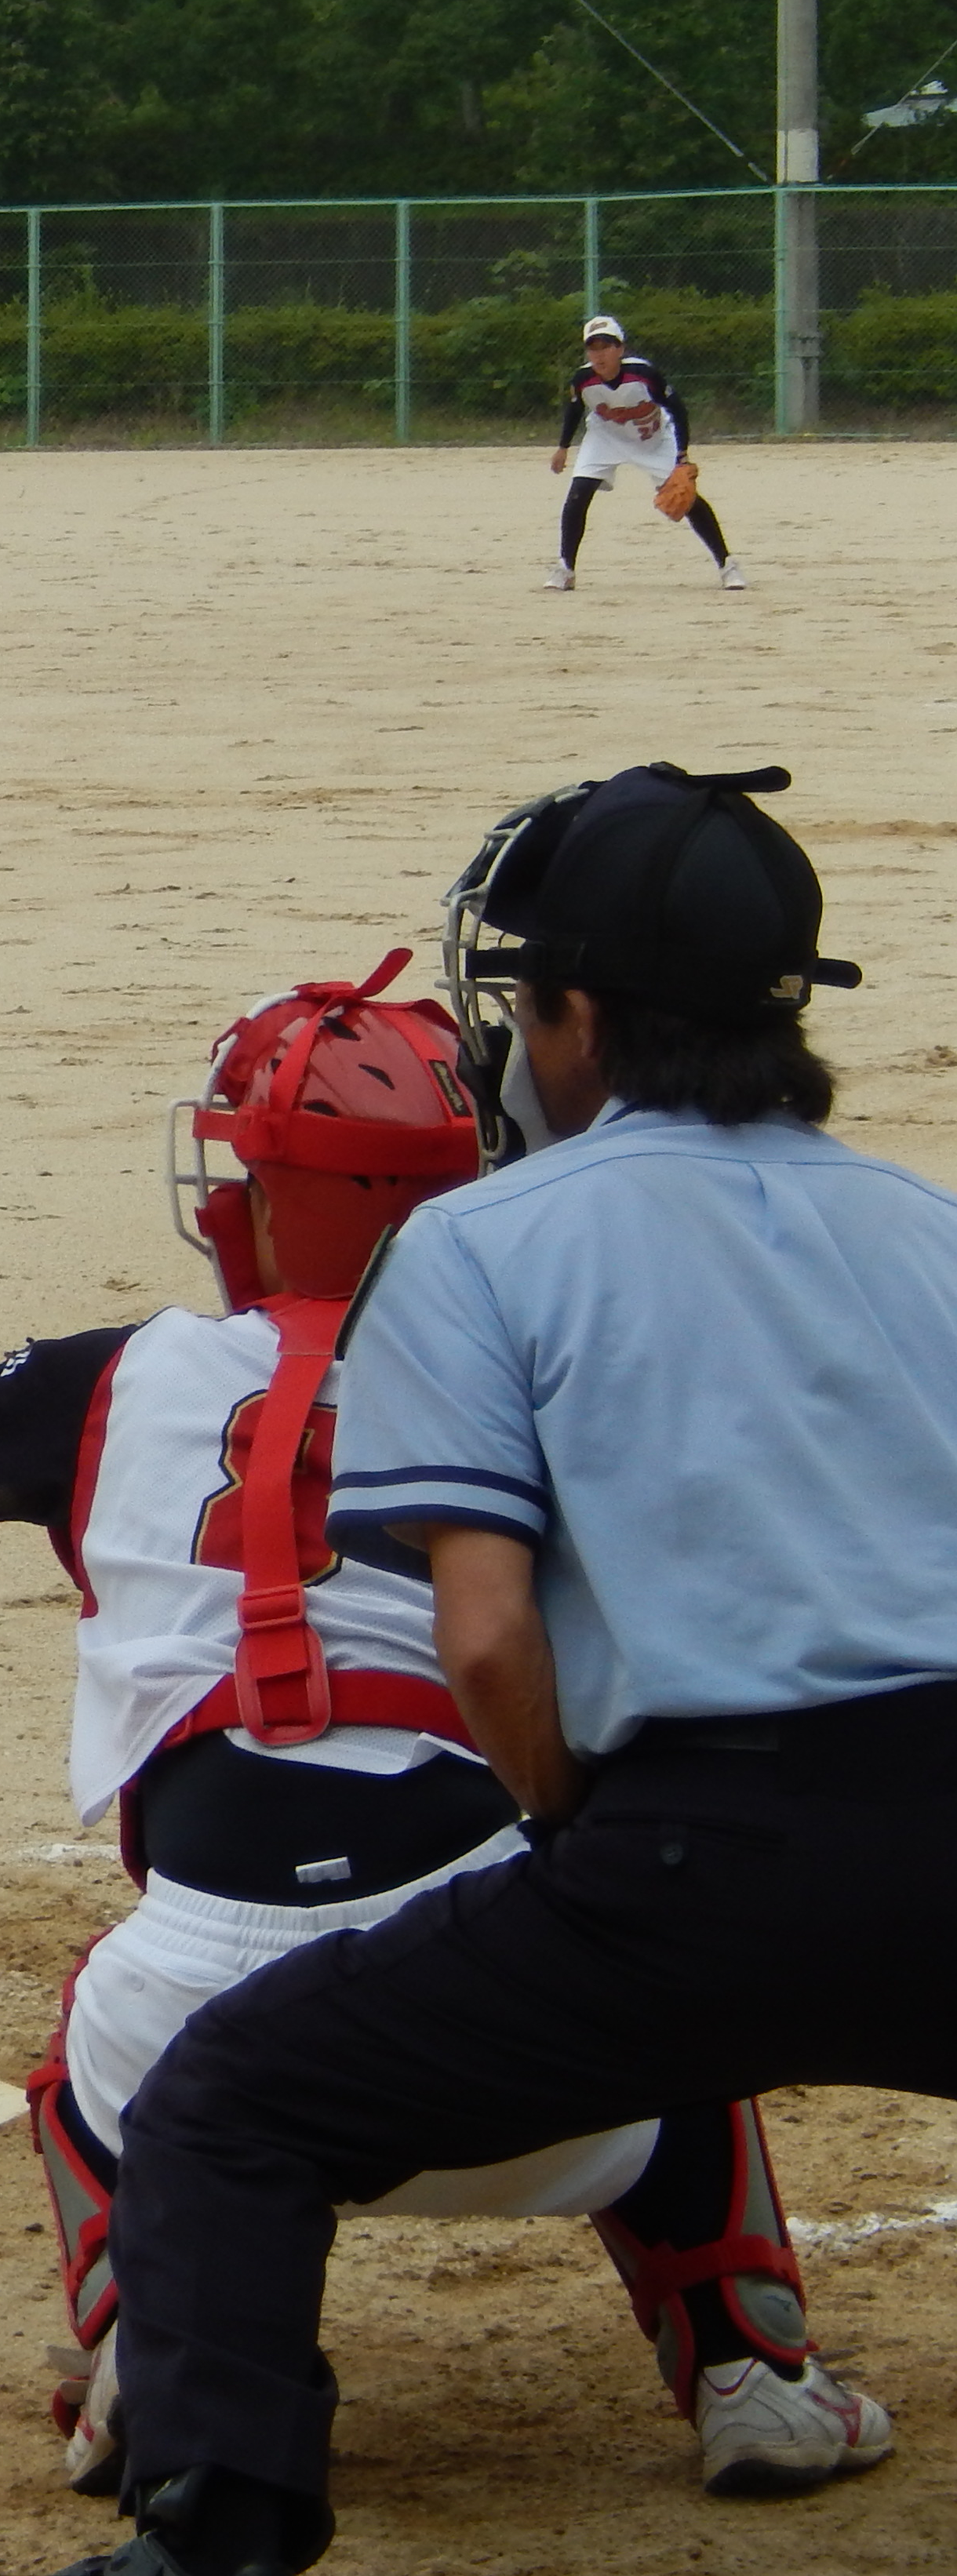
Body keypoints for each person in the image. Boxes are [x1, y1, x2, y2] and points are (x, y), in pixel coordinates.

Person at [47, 764, 951, 2576]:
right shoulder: (930, 1226)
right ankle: (744, 2349)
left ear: (581, 1021)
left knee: (228, 2098)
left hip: (698, 1855)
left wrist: (570, 1830)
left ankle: (219, 2531)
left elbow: (482, 1632)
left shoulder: (479, 1238)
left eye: (526, 1002)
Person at [0, 953, 878, 2516]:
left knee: (98, 2026)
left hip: (199, 2053)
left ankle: (150, 2350)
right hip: (529, 2070)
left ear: (260, 1192)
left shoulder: (118, 1377)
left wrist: (49, 1413)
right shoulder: (547, 1354)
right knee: (668, 1942)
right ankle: (753, 2369)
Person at [548, 314, 740, 593]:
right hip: (605, 438)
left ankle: (727, 565)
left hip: (653, 441)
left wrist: (682, 454)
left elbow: (678, 409)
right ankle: (565, 568)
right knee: (578, 494)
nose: (599, 354)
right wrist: (563, 447)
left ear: (620, 349)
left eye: (606, 346)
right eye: (592, 347)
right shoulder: (582, 379)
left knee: (687, 500)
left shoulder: (644, 374)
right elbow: (575, 410)